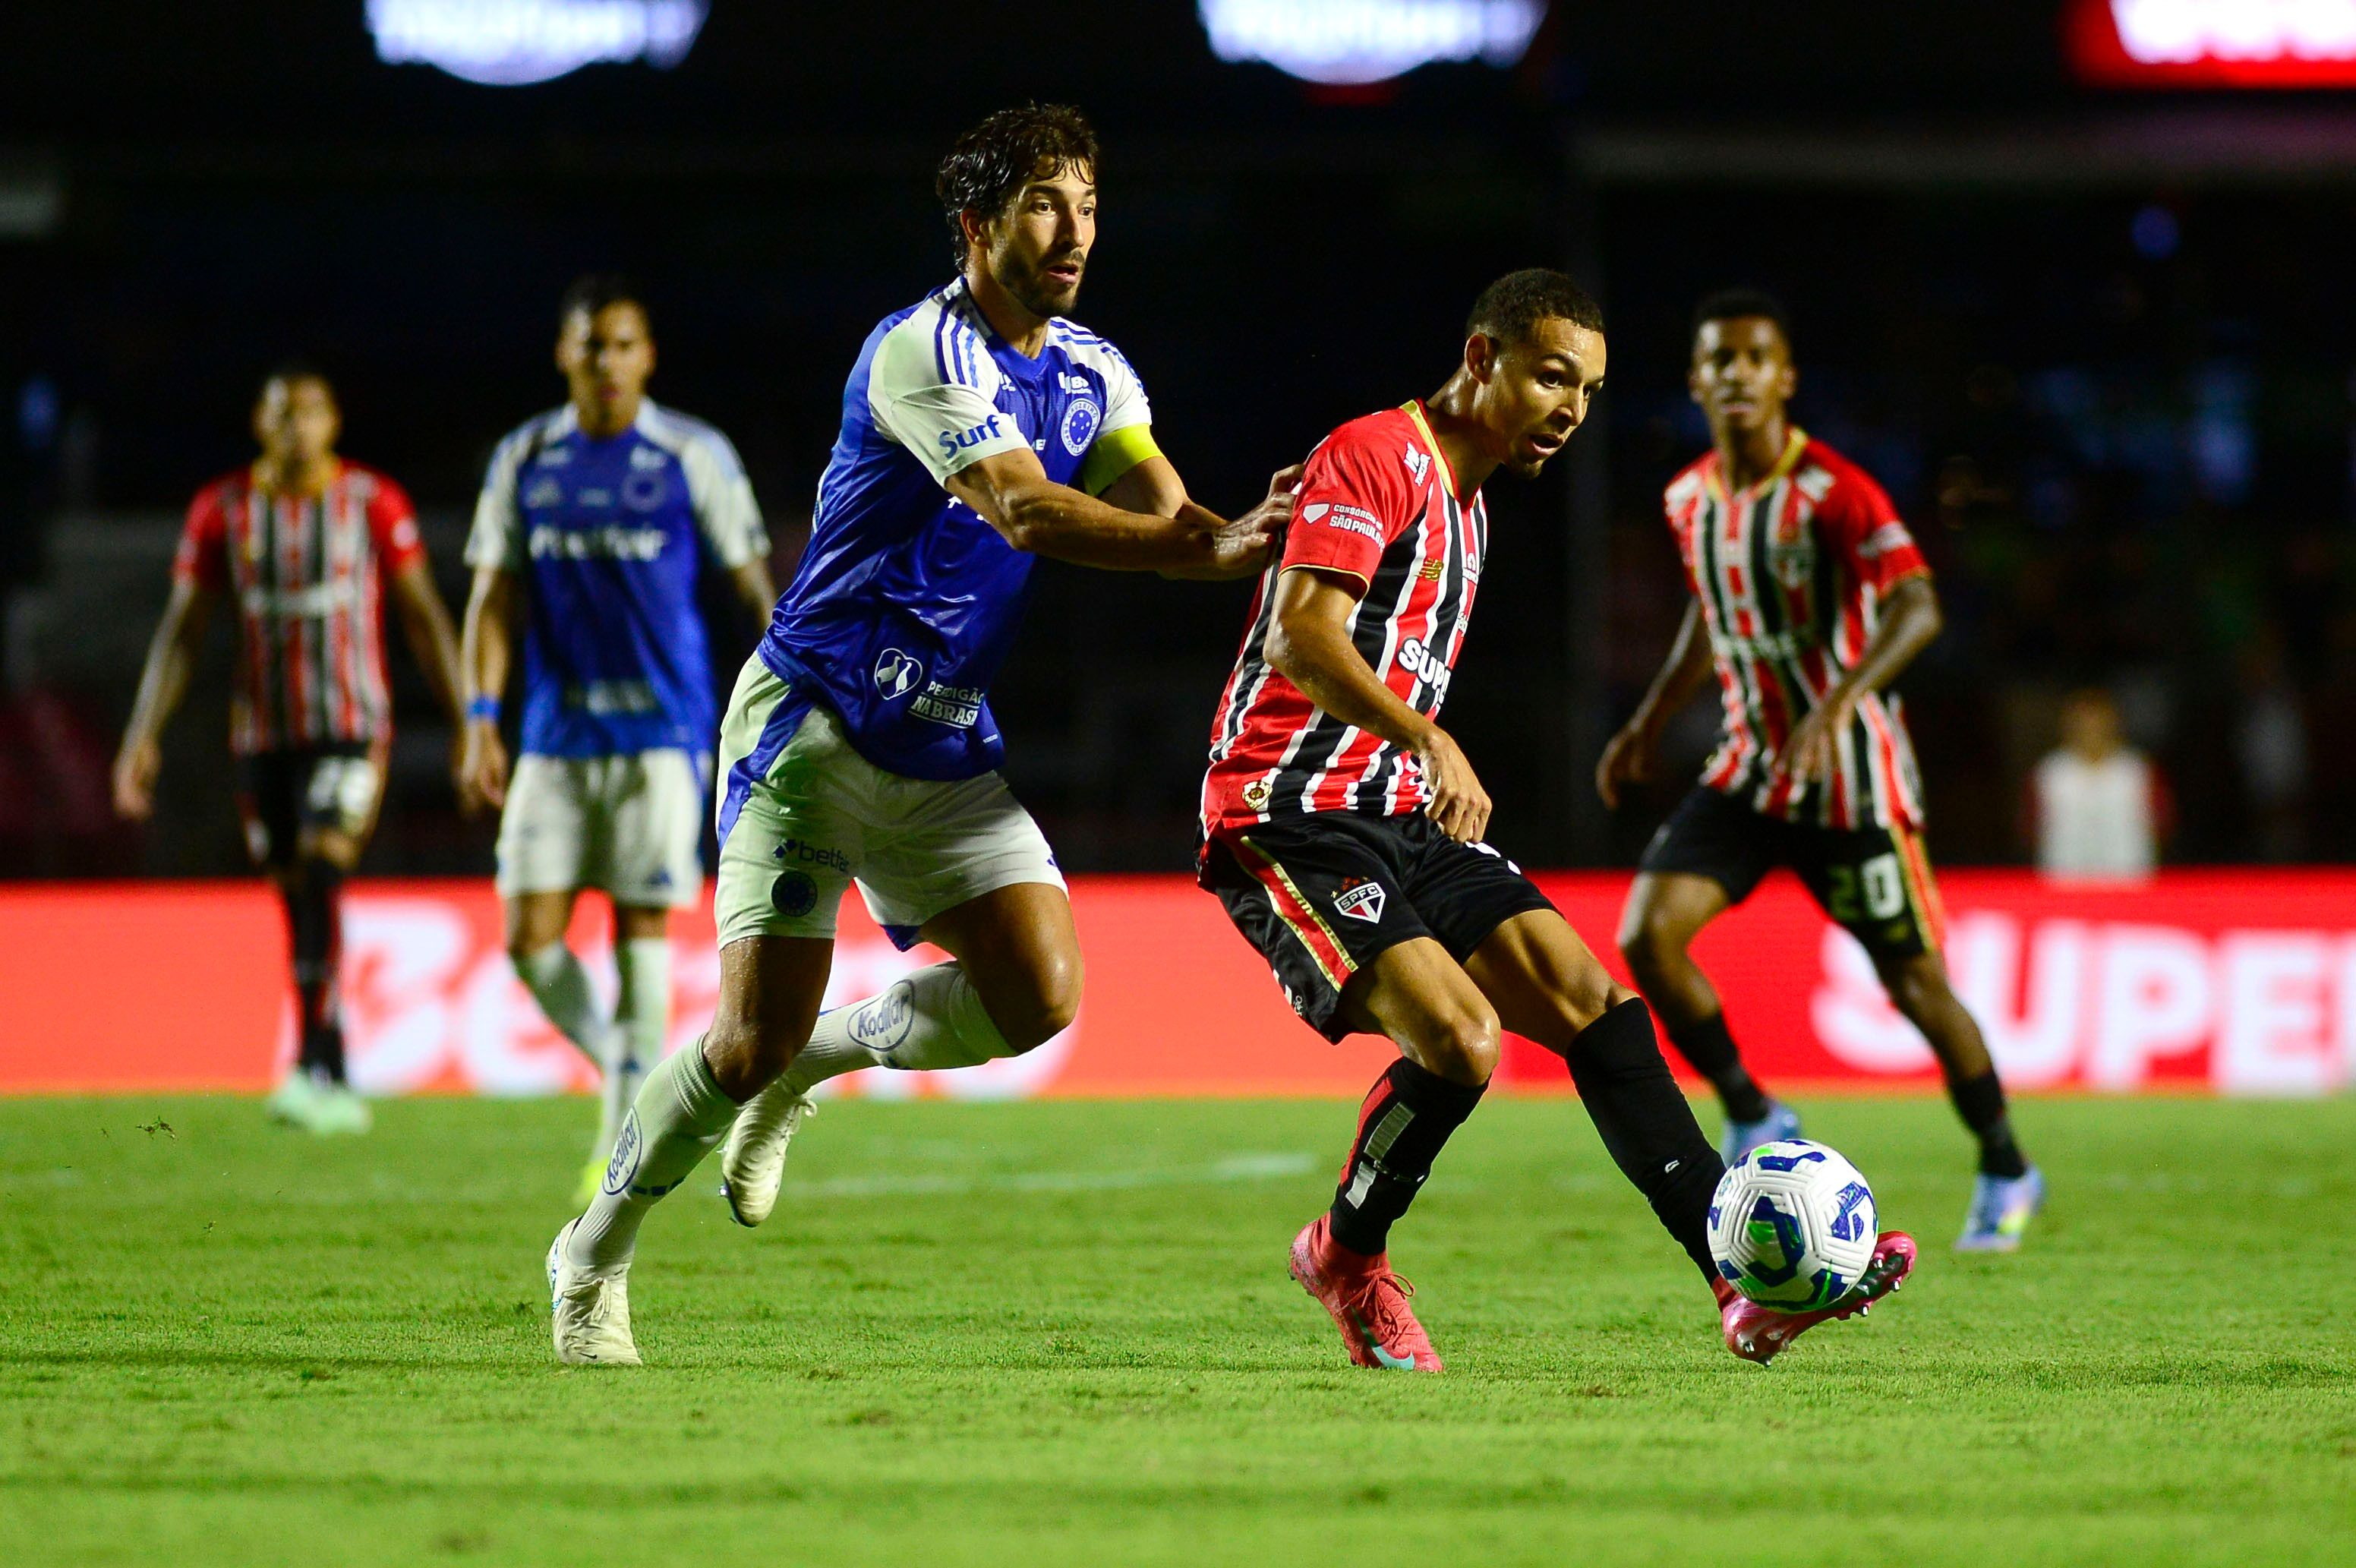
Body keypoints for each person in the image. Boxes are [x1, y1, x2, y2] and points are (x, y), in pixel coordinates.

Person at [543, 103, 1295, 1365]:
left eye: (1088, 206)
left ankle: (819, 1062)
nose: (1072, 232)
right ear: (977, 223)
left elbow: (1167, 517)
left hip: (941, 738)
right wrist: (1204, 548)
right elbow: (1022, 510)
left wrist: (1247, 545)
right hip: (815, 723)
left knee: (1041, 991)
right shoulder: (918, 351)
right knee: (740, 1041)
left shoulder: (1099, 371)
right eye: (1044, 205)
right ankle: (591, 1258)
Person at [1200, 270, 1914, 1373]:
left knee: (1599, 1008)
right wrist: (1426, 736)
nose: (1568, 409)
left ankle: (1736, 1290)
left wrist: (1411, 756)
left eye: (1584, 389)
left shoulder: (1468, 502)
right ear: (1479, 357)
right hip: (1290, 813)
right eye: (1547, 377)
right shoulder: (1375, 456)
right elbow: (1300, 637)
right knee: (1459, 1041)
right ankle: (1347, 1257)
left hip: (1398, 815)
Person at [1596, 288, 2042, 1253]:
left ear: (1784, 377)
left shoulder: (1835, 491)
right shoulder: (1688, 498)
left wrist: (1835, 703)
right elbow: (1708, 619)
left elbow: (1917, 605)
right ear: (1697, 380)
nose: (1736, 375)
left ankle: (2008, 1164)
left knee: (1916, 987)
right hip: (1750, 774)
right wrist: (1646, 722)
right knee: (1647, 935)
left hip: (1851, 787)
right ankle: (1754, 1107)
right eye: (1719, 360)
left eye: (1755, 358)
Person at [459, 276, 777, 1204]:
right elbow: (491, 596)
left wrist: (781, 695)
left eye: (623, 345)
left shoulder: (690, 454)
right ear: (565, 354)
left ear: (647, 357)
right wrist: (482, 719)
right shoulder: (524, 459)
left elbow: (753, 587)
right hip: (553, 737)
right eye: (590, 345)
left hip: (660, 734)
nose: (606, 362)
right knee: (528, 935)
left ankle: (616, 1139)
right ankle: (625, 1067)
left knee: (640, 925)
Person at [114, 365, 466, 1134]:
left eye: (309, 412)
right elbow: (183, 631)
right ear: (259, 422)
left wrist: (468, 718)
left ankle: (321, 1065)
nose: (296, 427)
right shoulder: (225, 511)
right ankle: (321, 1061)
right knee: (294, 891)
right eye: (282, 413)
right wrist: (143, 734)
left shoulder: (372, 503)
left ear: (334, 422)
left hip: (351, 723)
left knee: (321, 863)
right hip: (265, 734)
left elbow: (423, 616)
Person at [2029, 687, 2166, 880]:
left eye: (2098, 722)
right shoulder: (2050, 772)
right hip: (2064, 881)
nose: (2091, 729)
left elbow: (2161, 824)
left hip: (2129, 880)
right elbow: (2031, 828)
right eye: (2083, 723)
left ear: (2114, 723)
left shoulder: (2136, 770)